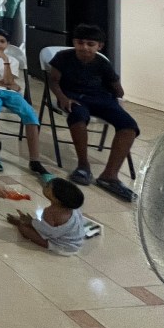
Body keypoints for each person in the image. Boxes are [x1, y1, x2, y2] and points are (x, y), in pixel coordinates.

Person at [47, 24, 139, 202]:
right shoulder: (63, 57)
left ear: (99, 46)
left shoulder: (102, 62)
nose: (85, 48)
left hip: (100, 97)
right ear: (74, 42)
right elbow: (53, 82)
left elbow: (118, 92)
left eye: (91, 44)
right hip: (73, 96)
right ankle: (83, 165)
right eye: (80, 43)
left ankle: (109, 175)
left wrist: (115, 83)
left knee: (129, 126)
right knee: (78, 115)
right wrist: (62, 98)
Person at [0, 29, 49, 177]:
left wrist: (5, 60)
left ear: (8, 44)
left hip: (10, 93)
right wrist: (6, 83)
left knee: (30, 115)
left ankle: (35, 160)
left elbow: (9, 81)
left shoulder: (12, 60)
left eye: (2, 41)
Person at [7, 177, 86, 255]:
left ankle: (18, 223)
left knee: (24, 229)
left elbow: (46, 231)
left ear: (56, 199)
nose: (45, 185)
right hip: (76, 243)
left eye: (47, 186)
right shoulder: (74, 209)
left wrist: (30, 222)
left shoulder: (50, 212)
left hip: (62, 246)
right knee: (36, 225)